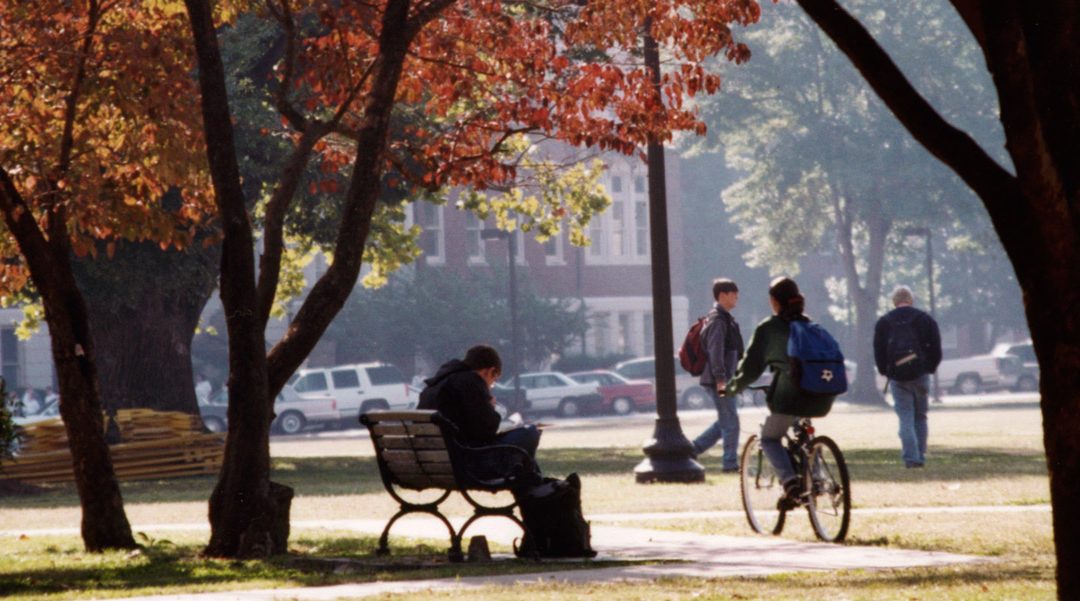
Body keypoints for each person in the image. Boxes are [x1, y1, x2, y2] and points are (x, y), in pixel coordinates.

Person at [727, 277, 837, 505]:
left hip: (790, 396)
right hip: (822, 395)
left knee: (768, 438)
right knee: (804, 434)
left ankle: (790, 482)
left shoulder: (769, 328)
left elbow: (751, 367)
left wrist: (732, 388)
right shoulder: (810, 325)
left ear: (774, 301)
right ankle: (815, 477)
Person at [419, 345, 542, 485]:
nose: (490, 386)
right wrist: (490, 407)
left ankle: (541, 489)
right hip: (467, 464)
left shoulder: (434, 386)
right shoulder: (471, 381)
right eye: (493, 381)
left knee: (523, 460)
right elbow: (486, 430)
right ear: (489, 371)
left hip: (432, 463)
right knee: (530, 432)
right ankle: (542, 492)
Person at [874, 285, 942, 468]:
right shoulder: (925, 319)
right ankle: (920, 454)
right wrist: (930, 368)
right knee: (920, 416)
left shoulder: (884, 322)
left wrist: (885, 370)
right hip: (920, 374)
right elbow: (936, 347)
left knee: (905, 416)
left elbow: (878, 350)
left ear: (894, 302)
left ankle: (911, 458)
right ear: (911, 300)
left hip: (898, 377)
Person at [690, 278, 744, 472]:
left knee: (725, 420)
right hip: (718, 380)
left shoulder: (725, 318)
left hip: (724, 379)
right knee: (731, 422)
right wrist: (721, 379)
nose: (737, 297)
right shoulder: (718, 320)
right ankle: (730, 464)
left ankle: (692, 449)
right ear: (722, 295)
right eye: (733, 294)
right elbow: (715, 351)